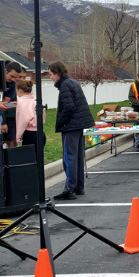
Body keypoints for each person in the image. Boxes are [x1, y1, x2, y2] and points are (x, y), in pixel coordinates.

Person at [49, 61, 94, 200]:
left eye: (51, 74)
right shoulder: (72, 82)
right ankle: (79, 186)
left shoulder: (65, 86)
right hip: (79, 124)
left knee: (69, 157)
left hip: (71, 126)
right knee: (78, 156)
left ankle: (69, 188)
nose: (50, 77)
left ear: (57, 73)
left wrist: (61, 120)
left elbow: (69, 107)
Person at [15, 79, 46, 158]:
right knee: (39, 158)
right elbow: (43, 117)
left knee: (29, 159)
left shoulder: (20, 102)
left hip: (29, 135)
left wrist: (17, 137)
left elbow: (22, 122)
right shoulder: (36, 100)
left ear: (20, 90)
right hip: (40, 132)